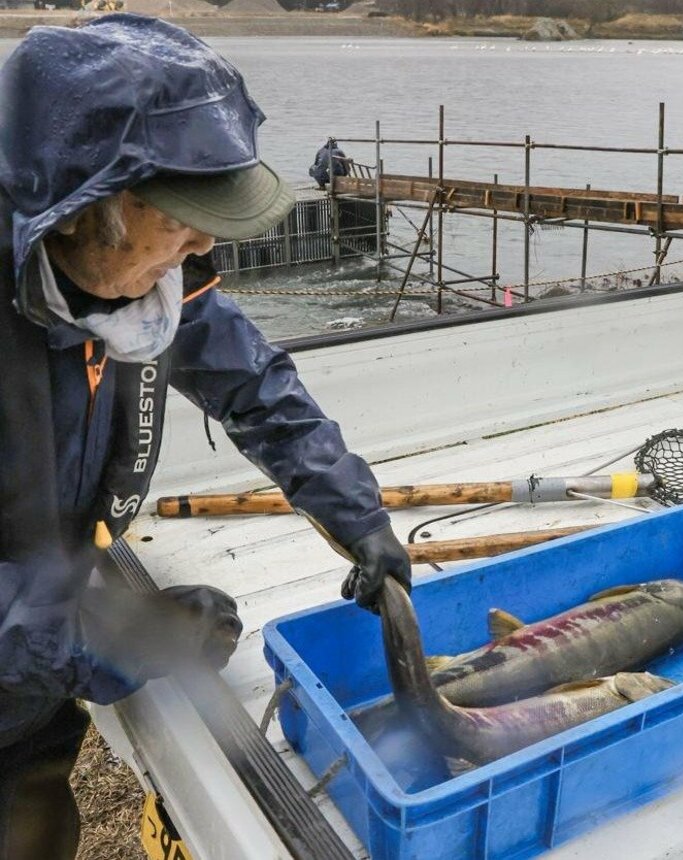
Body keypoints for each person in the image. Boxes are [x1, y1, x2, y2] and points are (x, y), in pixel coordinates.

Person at [0, 14, 411, 859]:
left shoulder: (145, 283)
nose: (206, 244)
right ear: (87, 207)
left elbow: (255, 383)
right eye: (183, 220)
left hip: (26, 702)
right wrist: (89, 636)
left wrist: (355, 512)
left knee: (32, 813)